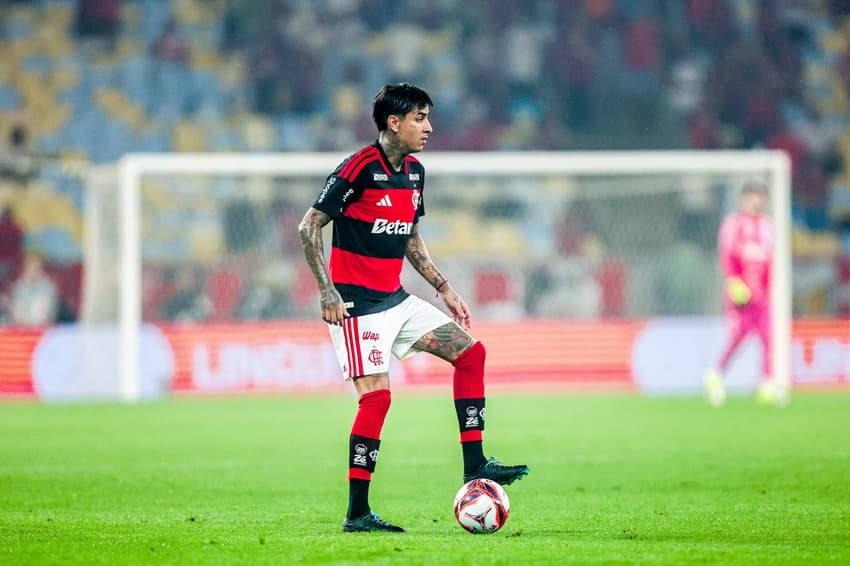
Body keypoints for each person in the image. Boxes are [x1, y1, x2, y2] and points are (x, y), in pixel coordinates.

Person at [298, 83, 529, 533]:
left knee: (471, 354)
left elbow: (409, 237)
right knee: (378, 399)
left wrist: (443, 287)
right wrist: (326, 291)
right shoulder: (358, 168)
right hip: (357, 307)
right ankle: (357, 513)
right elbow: (309, 228)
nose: (428, 127)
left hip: (397, 301)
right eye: (420, 118)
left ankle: (474, 464)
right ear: (394, 122)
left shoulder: (416, 173)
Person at [704, 183, 785, 406]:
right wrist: (734, 283)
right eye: (752, 197)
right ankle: (716, 374)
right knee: (738, 336)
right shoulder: (733, 225)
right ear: (744, 199)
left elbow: (769, 261)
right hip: (740, 293)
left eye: (760, 197)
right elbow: (727, 256)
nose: (756, 201)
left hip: (762, 294)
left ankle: (767, 383)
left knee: (768, 336)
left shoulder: (768, 226)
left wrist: (770, 289)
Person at [9, 251, 59, 326]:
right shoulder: (19, 287)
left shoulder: (48, 287)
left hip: (43, 331)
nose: (33, 270)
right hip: (21, 330)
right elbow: (16, 313)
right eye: (30, 266)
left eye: (36, 267)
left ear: (41, 268)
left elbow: (44, 316)